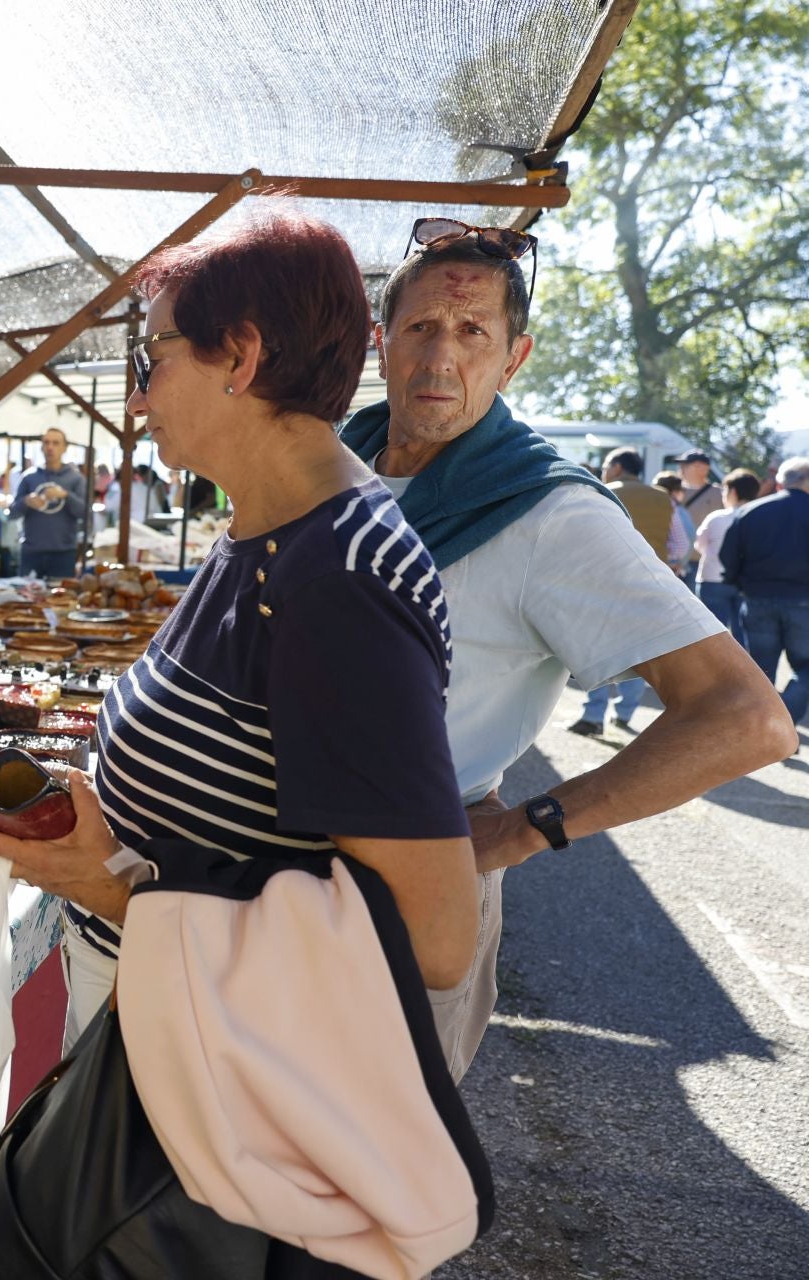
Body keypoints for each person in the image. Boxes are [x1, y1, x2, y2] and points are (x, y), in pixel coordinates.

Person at [0, 212, 480, 1187]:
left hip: (226, 1094)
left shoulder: (339, 580)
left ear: (239, 355)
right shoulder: (266, 531)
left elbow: (435, 939)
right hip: (175, 1041)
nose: (138, 394)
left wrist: (111, 886)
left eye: (149, 354)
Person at [339, 219, 792, 1077]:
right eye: (423, 327)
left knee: (354, 1176)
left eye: (475, 333)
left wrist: (521, 830)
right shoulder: (338, 461)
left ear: (515, 358)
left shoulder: (551, 512)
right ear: (383, 340)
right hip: (270, 876)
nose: (443, 357)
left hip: (404, 894)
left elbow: (749, 719)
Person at [572, 449, 684, 734]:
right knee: (640, 653)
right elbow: (681, 545)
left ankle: (593, 716)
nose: (604, 470)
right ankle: (624, 714)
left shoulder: (599, 492)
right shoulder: (663, 498)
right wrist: (668, 565)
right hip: (651, 585)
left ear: (618, 467)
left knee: (597, 650)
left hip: (603, 582)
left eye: (607, 465)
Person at [721, 456, 809, 724]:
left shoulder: (751, 511)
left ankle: (764, 728)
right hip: (803, 603)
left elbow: (727, 555)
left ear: (781, 482)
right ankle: (784, 721)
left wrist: (741, 585)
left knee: (761, 670)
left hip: (757, 599)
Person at [694, 468, 760, 646]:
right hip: (746, 583)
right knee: (743, 634)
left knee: (713, 634)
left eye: (724, 490)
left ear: (733, 492)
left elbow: (699, 545)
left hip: (712, 579)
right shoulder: (759, 518)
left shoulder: (716, 518)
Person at [14, 426, 86, 578]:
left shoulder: (76, 478)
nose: (50, 447)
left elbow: (84, 512)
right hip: (31, 552)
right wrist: (26, 501)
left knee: (61, 599)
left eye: (55, 443)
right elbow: (12, 513)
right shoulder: (29, 477)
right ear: (41, 447)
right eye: (46, 442)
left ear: (64, 448)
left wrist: (66, 495)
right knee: (26, 599)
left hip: (63, 553)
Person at [676, 449, 723, 581]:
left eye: (685, 465)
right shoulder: (673, 492)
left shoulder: (721, 494)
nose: (681, 468)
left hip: (703, 562)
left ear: (703, 468)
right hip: (674, 562)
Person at [653, 470, 696, 572]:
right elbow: (684, 544)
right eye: (682, 490)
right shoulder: (673, 507)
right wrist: (673, 561)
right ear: (675, 491)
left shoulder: (652, 505)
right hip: (671, 566)